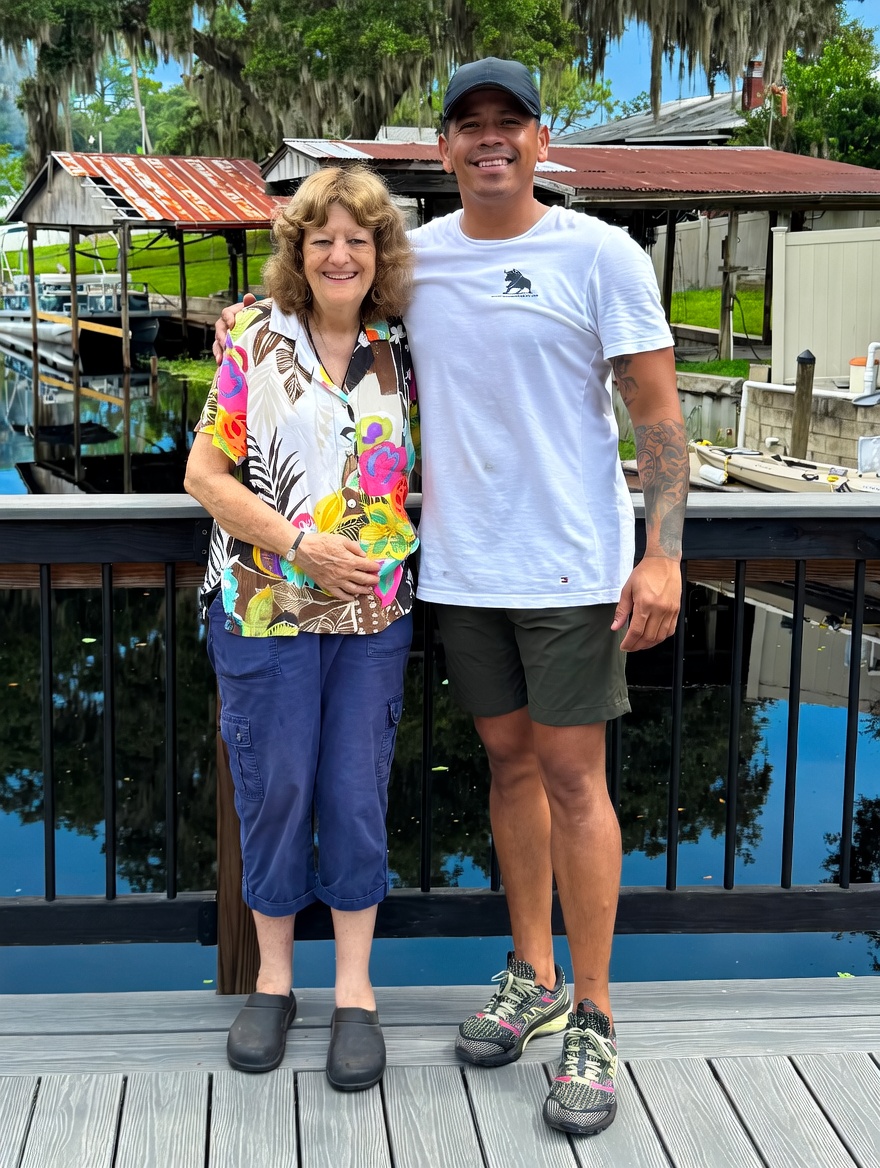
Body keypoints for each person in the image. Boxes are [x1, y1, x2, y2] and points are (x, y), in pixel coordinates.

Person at [215, 58, 688, 1136]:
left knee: (576, 781)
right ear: (444, 148)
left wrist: (662, 553)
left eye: (508, 121)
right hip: (463, 570)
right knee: (509, 768)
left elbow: (657, 415)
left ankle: (594, 1013)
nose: (489, 139)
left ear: (540, 138)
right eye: (468, 124)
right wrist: (236, 324)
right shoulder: (415, 261)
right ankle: (530, 972)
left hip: (570, 568)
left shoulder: (599, 254)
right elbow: (316, 302)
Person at [187, 164, 419, 1091]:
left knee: (355, 793)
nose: (340, 255)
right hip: (263, 604)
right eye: (322, 239)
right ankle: (274, 982)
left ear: (379, 254)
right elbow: (204, 477)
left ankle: (354, 992)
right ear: (298, 250)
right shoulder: (252, 337)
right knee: (275, 788)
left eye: (358, 240)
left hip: (372, 612)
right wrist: (299, 545)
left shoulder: (403, 348)